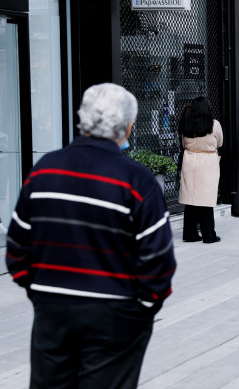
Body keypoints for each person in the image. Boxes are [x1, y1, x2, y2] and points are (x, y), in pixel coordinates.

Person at [5, 83, 177, 389]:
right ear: (128, 127)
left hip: (53, 310)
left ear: (82, 120)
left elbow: (17, 247)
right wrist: (143, 309)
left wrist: (42, 293)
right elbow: (158, 261)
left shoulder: (44, 170)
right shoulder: (137, 180)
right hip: (115, 315)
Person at [178, 96, 223, 243]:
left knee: (190, 200)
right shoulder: (214, 124)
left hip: (190, 160)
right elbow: (220, 142)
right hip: (208, 162)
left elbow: (183, 143)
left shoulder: (187, 123)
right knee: (206, 200)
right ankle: (209, 235)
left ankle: (190, 234)